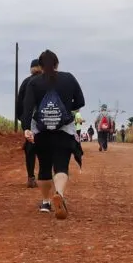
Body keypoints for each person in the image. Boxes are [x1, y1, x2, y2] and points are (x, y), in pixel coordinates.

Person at [21, 49, 85, 219]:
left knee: (44, 167)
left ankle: (45, 202)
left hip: (41, 131)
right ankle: (59, 195)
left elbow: (27, 107)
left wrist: (26, 128)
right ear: (56, 64)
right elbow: (80, 101)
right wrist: (65, 108)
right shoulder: (69, 78)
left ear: (41, 66)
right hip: (64, 130)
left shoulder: (34, 82)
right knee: (61, 166)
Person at [17, 59, 43, 188]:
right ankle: (45, 176)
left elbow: (19, 103)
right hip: (44, 121)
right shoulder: (46, 81)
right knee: (45, 148)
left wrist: (23, 120)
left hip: (29, 121)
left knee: (30, 148)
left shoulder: (26, 82)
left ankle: (31, 177)